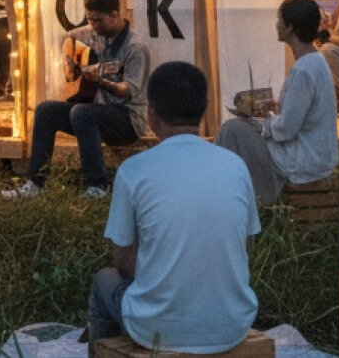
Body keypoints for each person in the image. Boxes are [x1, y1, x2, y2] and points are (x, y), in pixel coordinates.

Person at [88, 61, 260, 350]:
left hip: (156, 329)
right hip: (232, 324)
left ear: (151, 114)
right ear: (203, 110)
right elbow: (245, 247)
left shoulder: (134, 171)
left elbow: (123, 264)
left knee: (104, 281)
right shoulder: (235, 166)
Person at [4, 0, 151, 199]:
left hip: (128, 119)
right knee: (46, 110)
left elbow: (129, 91)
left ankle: (97, 186)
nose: (94, 26)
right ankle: (35, 182)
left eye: (98, 21)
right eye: (90, 20)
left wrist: (100, 81)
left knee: (81, 113)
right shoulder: (94, 33)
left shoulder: (135, 47)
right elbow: (67, 37)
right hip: (99, 111)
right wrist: (69, 62)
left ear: (115, 15)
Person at [214, 0, 339, 205]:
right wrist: (276, 110)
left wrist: (267, 120)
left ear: (290, 27)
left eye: (279, 19)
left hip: (304, 159)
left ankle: (235, 199)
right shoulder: (316, 61)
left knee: (231, 130)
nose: (276, 25)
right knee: (238, 128)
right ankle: (237, 197)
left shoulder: (304, 70)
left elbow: (286, 130)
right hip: (318, 155)